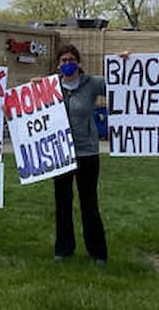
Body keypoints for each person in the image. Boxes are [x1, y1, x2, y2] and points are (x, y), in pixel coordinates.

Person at [49, 44, 110, 265]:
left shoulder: (91, 84)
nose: (67, 64)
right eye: (63, 60)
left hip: (87, 153)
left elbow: (120, 84)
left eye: (71, 60)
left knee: (89, 203)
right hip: (60, 153)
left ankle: (98, 252)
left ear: (78, 62)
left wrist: (124, 63)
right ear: (58, 65)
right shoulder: (51, 86)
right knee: (62, 203)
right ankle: (64, 249)